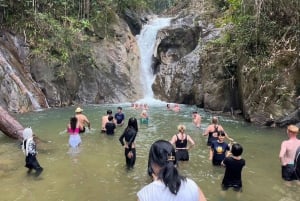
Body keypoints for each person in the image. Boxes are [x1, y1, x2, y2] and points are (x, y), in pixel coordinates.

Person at [137, 140, 207, 201]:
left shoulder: (145, 194)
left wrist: (154, 186)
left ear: (153, 163)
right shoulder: (192, 185)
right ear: (174, 162)